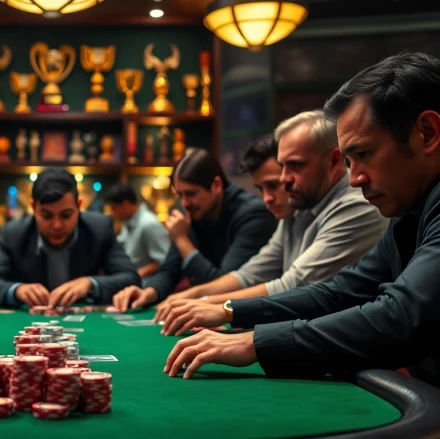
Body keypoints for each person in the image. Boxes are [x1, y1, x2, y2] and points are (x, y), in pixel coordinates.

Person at [163, 52, 440, 386]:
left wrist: (254, 341)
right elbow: (341, 292)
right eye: (351, 161)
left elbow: (401, 318)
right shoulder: (406, 206)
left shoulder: (387, 201)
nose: (355, 180)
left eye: (364, 154)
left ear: (427, 132)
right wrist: (231, 311)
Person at [155, 113, 389, 331]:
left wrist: (215, 307)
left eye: (295, 165)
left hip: (352, 354)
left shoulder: (356, 205)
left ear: (333, 160)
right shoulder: (300, 206)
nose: (285, 178)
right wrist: (193, 297)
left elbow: (294, 284)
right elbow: (251, 273)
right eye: (283, 165)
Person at [112, 147, 277, 312]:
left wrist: (181, 239)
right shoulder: (197, 211)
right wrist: (149, 292)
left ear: (216, 185)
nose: (184, 203)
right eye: (180, 195)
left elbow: (223, 283)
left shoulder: (253, 215)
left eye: (190, 194)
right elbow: (170, 269)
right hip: (211, 309)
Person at [0, 168, 140, 307]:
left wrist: (90, 283)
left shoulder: (100, 228)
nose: (57, 225)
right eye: (46, 216)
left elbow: (130, 278)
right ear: (33, 208)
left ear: (79, 206)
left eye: (66, 215)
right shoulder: (14, 233)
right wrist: (17, 289)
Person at [103, 182, 170, 278]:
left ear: (125, 204)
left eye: (114, 208)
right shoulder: (128, 222)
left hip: (147, 285)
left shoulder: (148, 224)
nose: (113, 213)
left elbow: (163, 260)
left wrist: (135, 275)